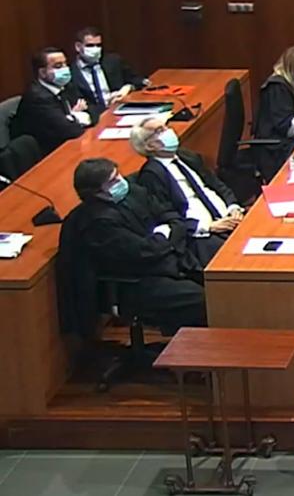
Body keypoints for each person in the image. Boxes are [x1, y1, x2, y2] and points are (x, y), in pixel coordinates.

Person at [71, 158, 207, 330]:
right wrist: (163, 235)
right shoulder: (98, 222)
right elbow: (141, 252)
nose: (121, 181)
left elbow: (173, 218)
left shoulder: (135, 192)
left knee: (218, 283)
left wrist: (164, 238)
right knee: (204, 300)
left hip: (171, 260)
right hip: (138, 281)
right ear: (95, 192)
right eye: (113, 181)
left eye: (118, 174)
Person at [131, 116, 244, 265]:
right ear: (149, 146)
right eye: (159, 131)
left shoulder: (187, 156)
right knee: (237, 260)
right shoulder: (152, 175)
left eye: (166, 126)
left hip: (229, 218)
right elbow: (167, 216)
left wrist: (233, 206)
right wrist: (208, 227)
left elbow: (217, 185)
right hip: (201, 235)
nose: (168, 131)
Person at [253, 45, 294, 182]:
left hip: (281, 140)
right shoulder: (277, 88)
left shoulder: (287, 85)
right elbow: (285, 124)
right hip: (273, 147)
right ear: (291, 67)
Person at [12, 47, 94, 155]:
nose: (65, 69)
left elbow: (94, 110)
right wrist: (76, 116)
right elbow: (69, 131)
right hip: (46, 153)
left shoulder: (67, 87)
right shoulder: (38, 98)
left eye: (65, 64)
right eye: (58, 66)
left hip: (67, 145)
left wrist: (71, 118)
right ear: (42, 72)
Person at [69, 26, 147, 112]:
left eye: (98, 45)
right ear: (78, 47)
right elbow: (79, 103)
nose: (95, 49)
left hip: (121, 107)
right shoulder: (71, 73)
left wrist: (128, 88)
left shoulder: (113, 61)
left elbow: (139, 81)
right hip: (95, 115)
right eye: (90, 45)